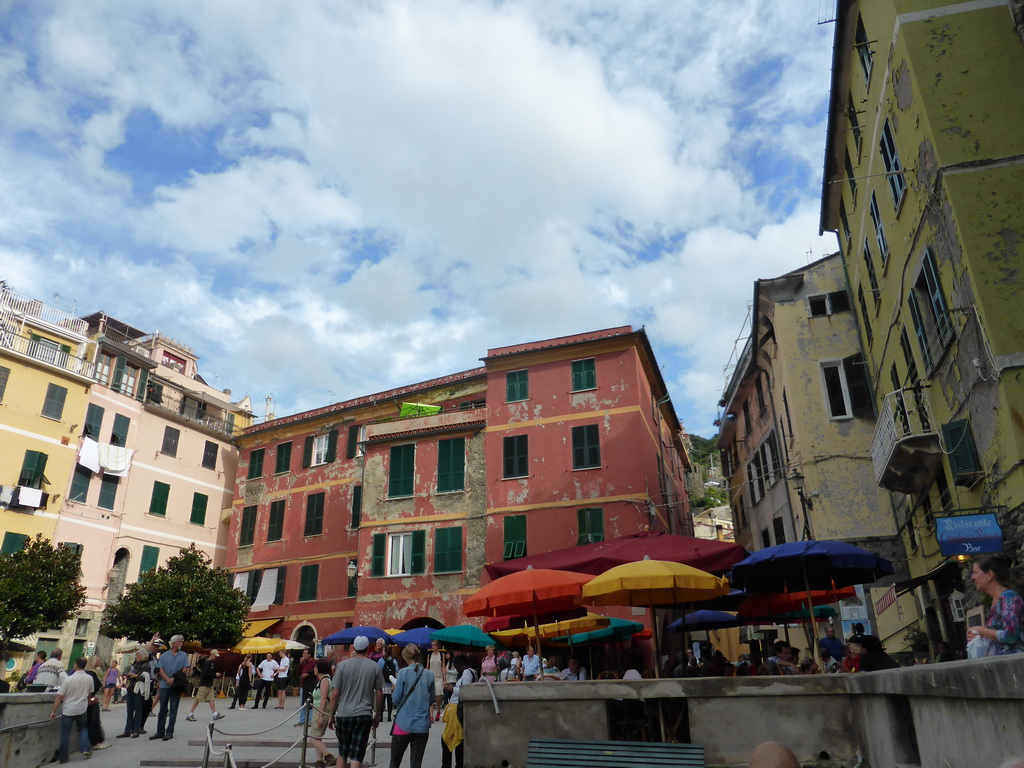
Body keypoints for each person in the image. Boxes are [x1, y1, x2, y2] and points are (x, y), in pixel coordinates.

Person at [328, 636, 383, 768]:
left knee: (343, 751)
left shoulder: (342, 666)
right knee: (357, 754)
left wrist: (331, 715)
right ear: (367, 648)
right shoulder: (374, 667)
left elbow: (335, 693)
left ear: (354, 648)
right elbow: (379, 693)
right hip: (363, 714)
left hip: (343, 714)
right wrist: (377, 715)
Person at [967, 553, 1024, 655]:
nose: (972, 577)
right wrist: (979, 635)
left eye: (975, 572)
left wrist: (980, 630)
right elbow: (996, 635)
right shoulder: (995, 601)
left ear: (989, 575)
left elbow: (1010, 635)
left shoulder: (1009, 599)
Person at [389, 644, 434, 768]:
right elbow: (430, 701)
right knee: (416, 764)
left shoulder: (403, 673)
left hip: (403, 724)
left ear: (405, 657)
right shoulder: (429, 675)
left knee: (394, 762)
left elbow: (396, 699)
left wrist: (395, 689)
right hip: (422, 725)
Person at [50, 657, 95, 763]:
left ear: (75, 665)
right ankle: (84, 749)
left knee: (65, 733)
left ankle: (63, 757)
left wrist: (54, 711)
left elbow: (59, 696)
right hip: (82, 708)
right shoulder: (89, 678)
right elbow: (90, 694)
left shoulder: (68, 679)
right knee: (83, 728)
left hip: (68, 709)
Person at [150, 634, 189, 741]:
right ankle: (160, 731)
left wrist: (175, 678)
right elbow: (160, 669)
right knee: (162, 709)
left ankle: (169, 731)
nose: (181, 643)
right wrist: (167, 679)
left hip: (176, 685)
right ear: (173, 643)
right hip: (164, 685)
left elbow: (185, 668)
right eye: (180, 641)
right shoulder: (164, 655)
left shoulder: (183, 655)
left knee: (173, 709)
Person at [440, 655, 475, 768]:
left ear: (461, 665)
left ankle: (450, 765)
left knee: (447, 739)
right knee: (457, 741)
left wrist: (452, 688)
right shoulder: (470, 672)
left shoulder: (467, 673)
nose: (457, 670)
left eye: (457, 667)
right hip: (456, 709)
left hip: (457, 710)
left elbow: (465, 691)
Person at [305, 659, 337, 768]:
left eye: (315, 667)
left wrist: (320, 716)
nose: (314, 669)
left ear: (320, 669)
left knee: (313, 738)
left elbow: (323, 698)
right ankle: (319, 761)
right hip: (318, 708)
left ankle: (328, 756)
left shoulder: (324, 680)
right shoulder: (321, 679)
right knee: (317, 737)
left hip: (321, 709)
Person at [117, 648, 152, 738]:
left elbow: (147, 678)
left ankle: (136, 730)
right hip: (131, 688)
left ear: (142, 656)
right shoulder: (134, 664)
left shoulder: (146, 665)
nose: (136, 657)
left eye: (138, 655)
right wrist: (128, 676)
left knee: (138, 710)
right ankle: (127, 730)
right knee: (129, 710)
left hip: (139, 690)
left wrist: (136, 676)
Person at [186, 650, 225, 721]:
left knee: (211, 699)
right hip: (204, 684)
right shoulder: (207, 663)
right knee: (198, 699)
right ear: (212, 655)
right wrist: (214, 675)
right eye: (215, 656)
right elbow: (205, 674)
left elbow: (211, 672)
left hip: (209, 684)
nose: (216, 657)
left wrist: (216, 675)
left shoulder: (212, 663)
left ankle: (214, 713)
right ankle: (190, 714)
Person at [83, 656, 110, 751]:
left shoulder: (91, 673)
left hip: (91, 698)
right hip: (91, 699)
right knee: (93, 721)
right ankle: (96, 742)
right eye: (98, 660)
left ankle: (98, 740)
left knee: (95, 720)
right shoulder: (91, 674)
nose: (100, 662)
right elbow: (92, 688)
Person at [425, 639, 447, 722]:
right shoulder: (429, 655)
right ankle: (431, 716)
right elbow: (427, 666)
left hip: (439, 677)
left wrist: (445, 679)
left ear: (438, 646)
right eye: (432, 645)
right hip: (431, 676)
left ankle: (438, 710)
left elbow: (443, 666)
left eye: (434, 645)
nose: (433, 646)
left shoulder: (442, 655)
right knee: (431, 696)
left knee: (438, 697)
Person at [296, 649, 317, 724]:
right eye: (303, 653)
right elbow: (298, 672)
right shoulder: (303, 662)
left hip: (311, 685)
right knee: (303, 703)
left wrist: (308, 674)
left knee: (310, 702)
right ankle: (302, 720)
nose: (303, 655)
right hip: (303, 684)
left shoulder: (314, 662)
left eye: (305, 653)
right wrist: (300, 664)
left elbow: (315, 673)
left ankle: (310, 720)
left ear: (309, 654)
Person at [379, 646, 398, 721]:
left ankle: (381, 717)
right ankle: (389, 717)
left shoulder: (381, 660)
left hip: (383, 683)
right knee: (390, 700)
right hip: (390, 683)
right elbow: (397, 670)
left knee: (382, 701)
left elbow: (378, 671)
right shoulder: (394, 660)